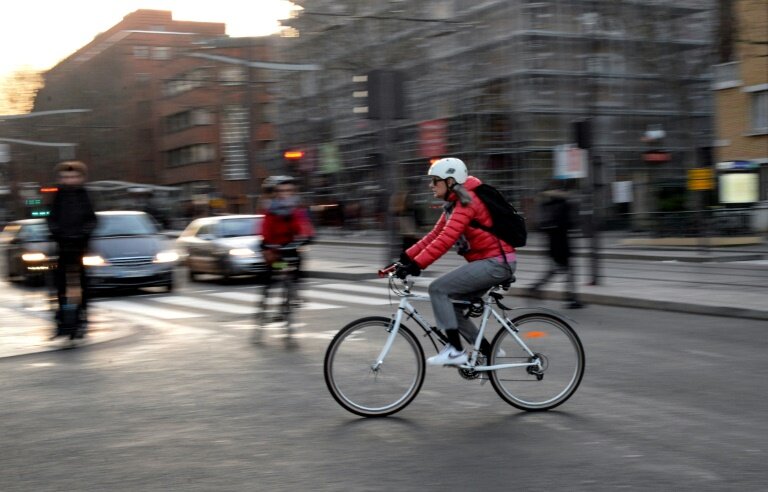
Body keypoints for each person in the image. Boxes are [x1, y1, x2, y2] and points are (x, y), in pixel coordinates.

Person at [392, 157, 516, 366]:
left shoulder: (467, 203)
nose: (431, 185)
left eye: (435, 181)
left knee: (438, 289)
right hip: (488, 262)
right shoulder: (454, 205)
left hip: (496, 263)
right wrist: (405, 258)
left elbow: (446, 239)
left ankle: (455, 350)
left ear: (450, 182)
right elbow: (434, 235)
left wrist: (417, 265)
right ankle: (488, 351)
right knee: (453, 306)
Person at [46, 160, 97, 338]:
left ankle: (82, 315)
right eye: (66, 177)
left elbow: (92, 219)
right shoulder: (58, 196)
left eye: (74, 176)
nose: (70, 180)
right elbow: (51, 218)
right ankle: (61, 317)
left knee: (83, 282)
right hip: (62, 246)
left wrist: (84, 233)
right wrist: (56, 231)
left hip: (80, 247)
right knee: (59, 283)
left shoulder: (85, 195)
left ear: (80, 178)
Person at [528, 181, 583, 309]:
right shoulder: (562, 204)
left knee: (558, 270)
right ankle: (570, 298)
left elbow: (542, 225)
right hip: (561, 242)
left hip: (552, 242)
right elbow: (568, 223)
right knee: (566, 270)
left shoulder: (547, 205)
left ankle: (536, 288)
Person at [258, 175, 315, 300]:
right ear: (276, 193)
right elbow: (265, 227)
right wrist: (266, 244)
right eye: (281, 191)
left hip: (290, 246)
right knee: (272, 269)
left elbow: (303, 223)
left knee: (299, 262)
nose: (285, 194)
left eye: (289, 191)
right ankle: (265, 300)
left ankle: (295, 290)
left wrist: (309, 236)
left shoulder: (297, 209)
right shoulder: (270, 209)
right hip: (274, 248)